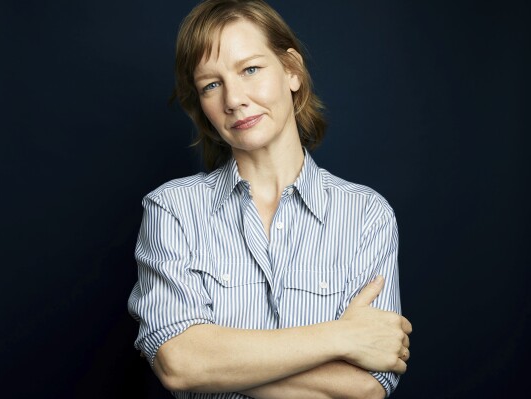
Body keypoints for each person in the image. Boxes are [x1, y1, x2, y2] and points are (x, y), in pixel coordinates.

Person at [128, 0, 412, 398]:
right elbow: (180, 363)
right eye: (211, 84)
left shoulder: (366, 215)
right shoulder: (172, 210)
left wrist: (220, 363)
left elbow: (366, 388)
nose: (233, 99)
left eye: (250, 69)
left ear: (291, 70)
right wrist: (342, 337)